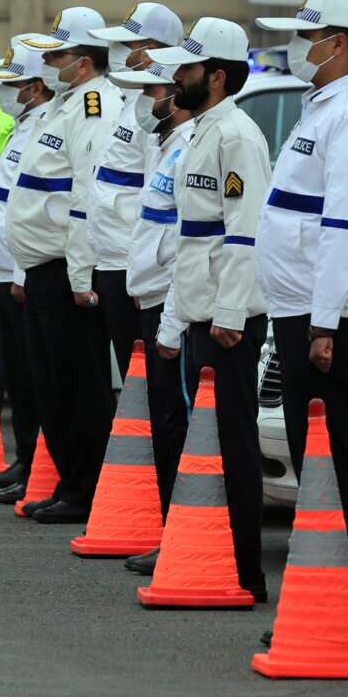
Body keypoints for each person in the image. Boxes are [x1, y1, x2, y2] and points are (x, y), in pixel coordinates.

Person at [254, 0, 348, 612]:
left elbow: (346, 226)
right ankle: (320, 596)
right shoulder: (323, 108)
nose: (294, 47)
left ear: (336, 43)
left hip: (329, 320)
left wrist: (324, 323)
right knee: (314, 462)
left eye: (303, 37)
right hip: (304, 314)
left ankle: (337, 601)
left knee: (329, 463)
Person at [148, 18, 272, 602]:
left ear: (217, 77)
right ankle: (211, 555)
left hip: (229, 322)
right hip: (200, 314)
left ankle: (246, 570)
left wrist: (228, 313)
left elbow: (244, 232)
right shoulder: (199, 130)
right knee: (207, 443)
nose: (176, 78)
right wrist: (177, 317)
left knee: (233, 443)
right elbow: (190, 238)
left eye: (188, 69)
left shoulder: (238, 137)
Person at [5, 8, 123, 524]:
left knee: (77, 386)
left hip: (64, 270)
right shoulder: (62, 104)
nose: (48, 63)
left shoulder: (94, 105)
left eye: (56, 55)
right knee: (50, 385)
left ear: (83, 61)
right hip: (39, 268)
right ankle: (67, 481)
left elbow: (84, 194)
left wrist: (80, 274)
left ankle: (84, 490)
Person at [110, 56, 193, 571]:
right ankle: (172, 532)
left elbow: (191, 242)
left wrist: (170, 319)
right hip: (152, 298)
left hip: (172, 305)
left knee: (179, 427)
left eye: (154, 89)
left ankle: (184, 536)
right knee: (163, 425)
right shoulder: (166, 146)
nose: (146, 99)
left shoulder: (189, 147)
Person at [85, 3, 185, 378]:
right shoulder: (132, 103)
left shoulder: (157, 107)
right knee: (134, 378)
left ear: (157, 49)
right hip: (112, 259)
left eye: (131, 43)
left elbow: (153, 196)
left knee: (146, 379)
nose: (120, 52)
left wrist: (141, 268)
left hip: (135, 264)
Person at [0, 40, 53, 504]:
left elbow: (37, 208)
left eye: (14, 84)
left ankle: (37, 465)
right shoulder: (21, 126)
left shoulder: (42, 128)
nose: (4, 92)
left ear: (36, 87)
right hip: (5, 270)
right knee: (21, 380)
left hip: (22, 271)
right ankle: (25, 458)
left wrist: (22, 269)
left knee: (31, 375)